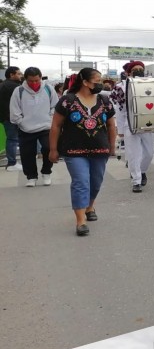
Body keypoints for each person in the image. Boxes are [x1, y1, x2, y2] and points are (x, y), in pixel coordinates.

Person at [48, 68, 117, 236]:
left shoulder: (105, 100)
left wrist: (112, 146)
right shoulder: (67, 101)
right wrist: (53, 149)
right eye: (96, 81)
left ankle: (90, 206)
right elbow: (56, 125)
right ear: (85, 82)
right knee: (81, 182)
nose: (100, 84)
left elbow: (110, 125)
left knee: (96, 182)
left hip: (99, 148)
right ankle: (80, 221)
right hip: (74, 150)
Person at [9, 66, 58, 187]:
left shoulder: (48, 88)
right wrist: (21, 122)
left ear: (41, 78)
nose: (34, 83)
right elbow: (14, 110)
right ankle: (31, 176)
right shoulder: (19, 91)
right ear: (25, 79)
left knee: (48, 148)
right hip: (26, 128)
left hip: (46, 127)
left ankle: (46, 172)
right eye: (31, 81)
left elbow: (55, 106)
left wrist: (50, 118)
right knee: (27, 153)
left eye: (37, 80)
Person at [110, 61, 154, 192]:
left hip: (148, 123)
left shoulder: (150, 84)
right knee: (133, 154)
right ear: (128, 73)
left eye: (141, 69)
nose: (139, 71)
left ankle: (142, 171)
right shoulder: (120, 87)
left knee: (150, 153)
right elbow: (119, 109)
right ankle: (136, 180)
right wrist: (121, 129)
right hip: (129, 124)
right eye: (135, 69)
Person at [1, 66, 23, 171]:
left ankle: (11, 160)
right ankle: (11, 163)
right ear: (11, 75)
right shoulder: (13, 87)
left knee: (12, 139)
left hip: (6, 116)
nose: (20, 76)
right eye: (18, 74)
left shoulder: (3, 85)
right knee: (12, 139)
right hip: (11, 117)